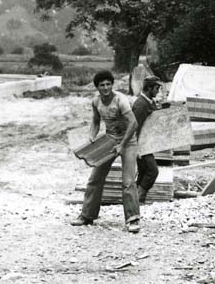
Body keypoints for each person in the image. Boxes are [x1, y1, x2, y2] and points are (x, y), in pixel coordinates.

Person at [70, 70, 141, 233]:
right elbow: (95, 121)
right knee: (95, 179)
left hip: (128, 142)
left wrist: (122, 145)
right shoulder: (96, 101)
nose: (106, 88)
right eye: (102, 85)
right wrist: (92, 137)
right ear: (97, 87)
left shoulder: (120, 100)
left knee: (128, 181)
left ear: (112, 85)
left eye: (108, 84)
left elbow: (133, 123)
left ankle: (133, 219)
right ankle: (87, 215)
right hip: (110, 140)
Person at [130, 75, 165, 203]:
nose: (158, 91)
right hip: (141, 146)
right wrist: (137, 149)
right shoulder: (140, 105)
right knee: (152, 171)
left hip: (146, 144)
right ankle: (139, 197)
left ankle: (137, 201)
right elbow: (134, 128)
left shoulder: (149, 101)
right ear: (149, 88)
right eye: (156, 88)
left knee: (144, 171)